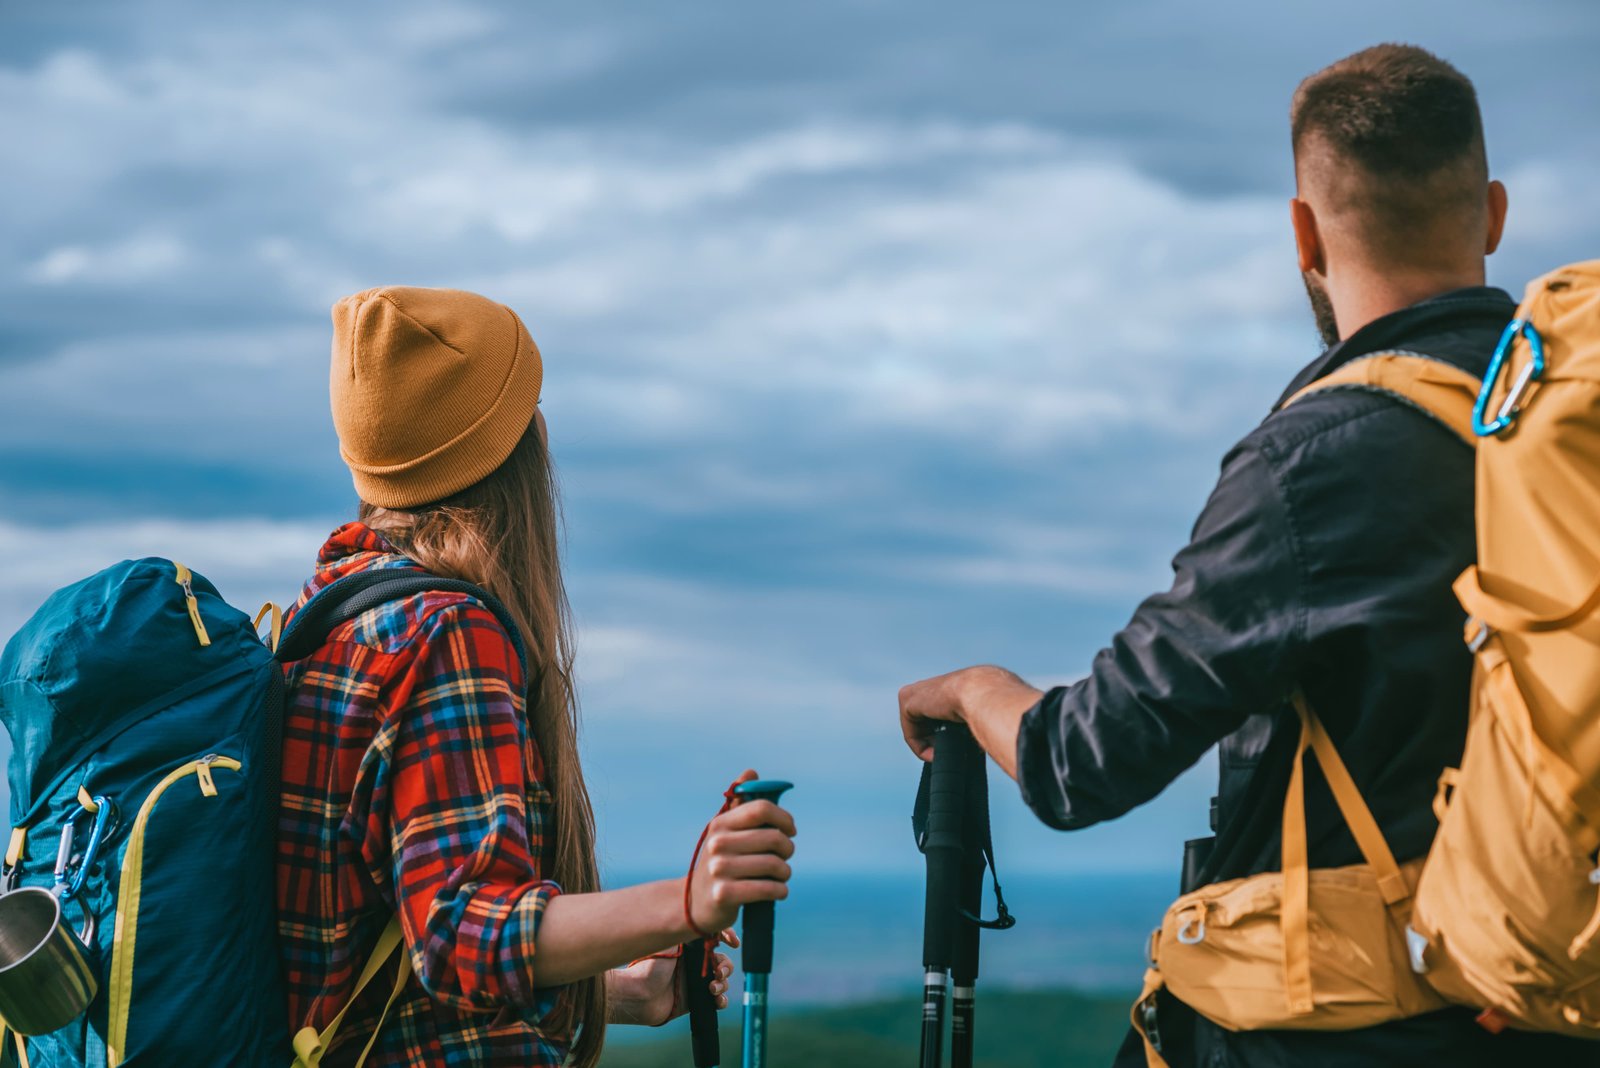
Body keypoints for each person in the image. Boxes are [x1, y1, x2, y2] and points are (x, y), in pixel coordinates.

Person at [897, 44, 1591, 1067]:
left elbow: (1081, 761)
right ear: (1491, 214)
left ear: (1303, 233)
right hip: (1554, 1004)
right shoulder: (1564, 437)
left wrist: (973, 687)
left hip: (1348, 1032)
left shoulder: (1315, 461)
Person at [276, 286, 798, 1067]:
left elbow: (390, 958)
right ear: (505, 448)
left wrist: (613, 993)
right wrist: (686, 902)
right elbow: (460, 931)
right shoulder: (447, 633)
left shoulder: (323, 623)